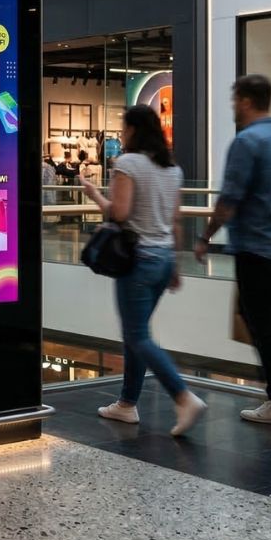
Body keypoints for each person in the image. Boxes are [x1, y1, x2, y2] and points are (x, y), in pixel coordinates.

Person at [82, 105, 207, 436]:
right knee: (135, 333)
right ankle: (126, 405)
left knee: (137, 335)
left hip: (138, 260)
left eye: (124, 129)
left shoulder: (128, 164)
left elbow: (119, 214)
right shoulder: (172, 169)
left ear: (134, 130)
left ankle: (183, 396)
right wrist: (176, 266)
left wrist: (95, 194)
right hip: (164, 258)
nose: (122, 135)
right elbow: (176, 220)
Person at [195, 74, 271, 427]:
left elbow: (229, 199)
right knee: (257, 315)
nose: (232, 107)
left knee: (264, 322)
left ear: (244, 101)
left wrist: (205, 236)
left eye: (233, 100)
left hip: (258, 245)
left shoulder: (247, 141)